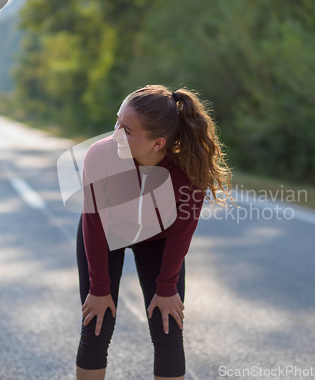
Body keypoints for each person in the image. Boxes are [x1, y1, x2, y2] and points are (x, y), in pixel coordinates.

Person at [75, 85, 236, 380]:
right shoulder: (100, 156)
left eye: (126, 130)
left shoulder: (189, 170)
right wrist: (99, 288)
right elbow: (94, 223)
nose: (114, 134)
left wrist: (166, 288)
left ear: (157, 143)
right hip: (106, 234)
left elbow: (181, 235)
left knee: (168, 329)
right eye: (117, 122)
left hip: (159, 240)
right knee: (96, 326)